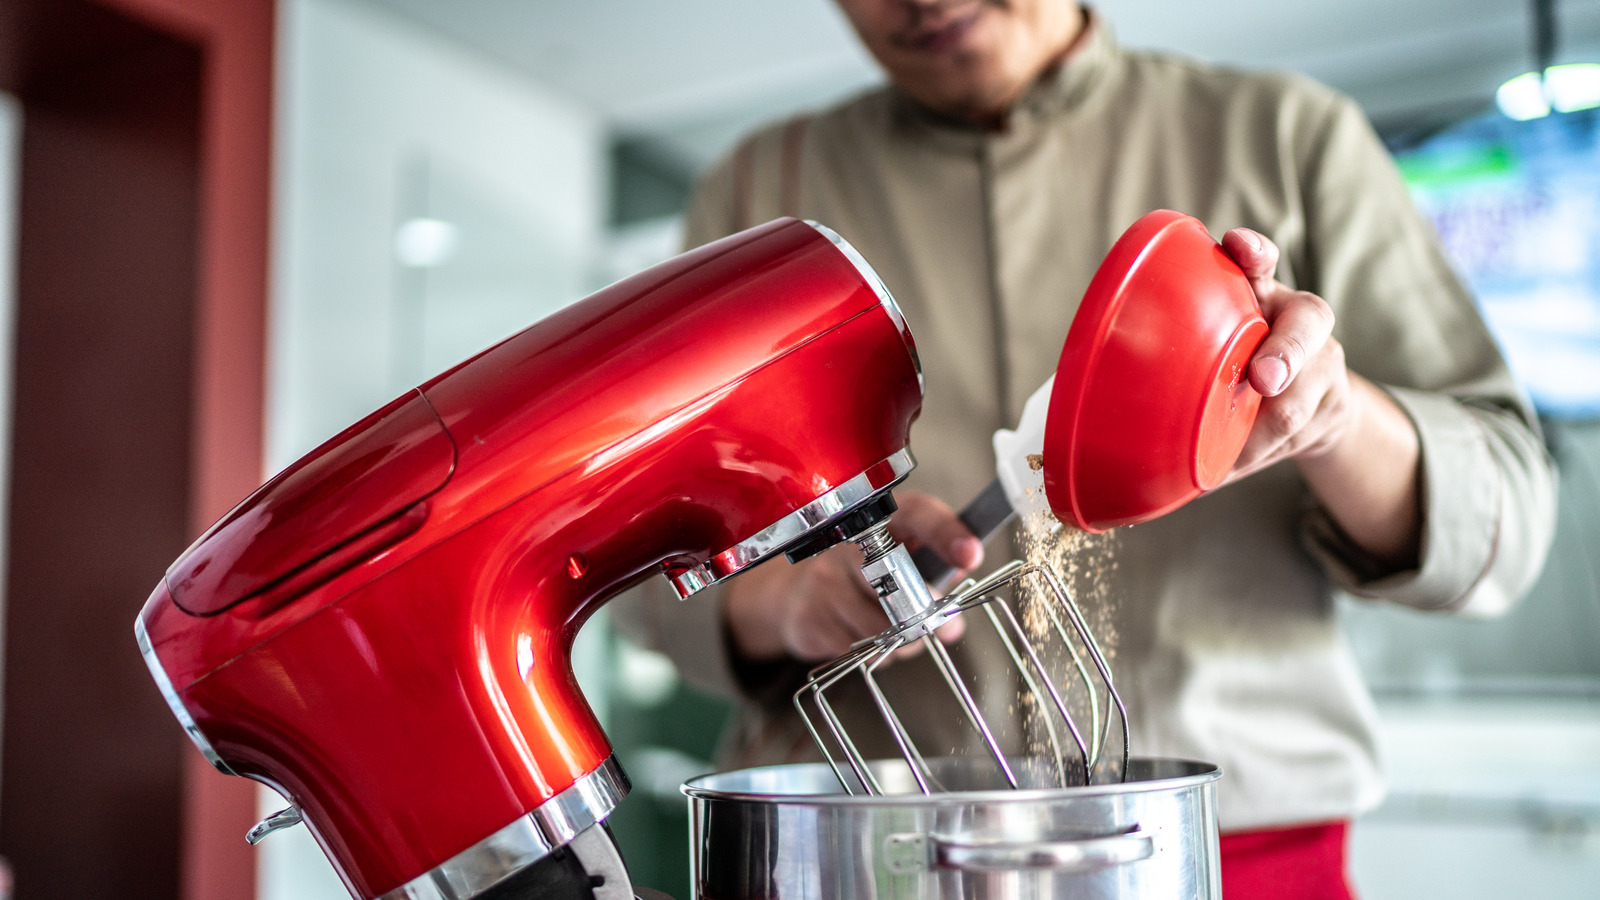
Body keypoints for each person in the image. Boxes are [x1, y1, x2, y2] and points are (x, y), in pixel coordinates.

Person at [613, 2, 1558, 896]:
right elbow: (638, 573)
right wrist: (786, 603)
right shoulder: (759, 194)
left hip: (1228, 851)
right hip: (861, 857)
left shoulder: (1284, 135)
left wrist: (1332, 417)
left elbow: (1507, 515)